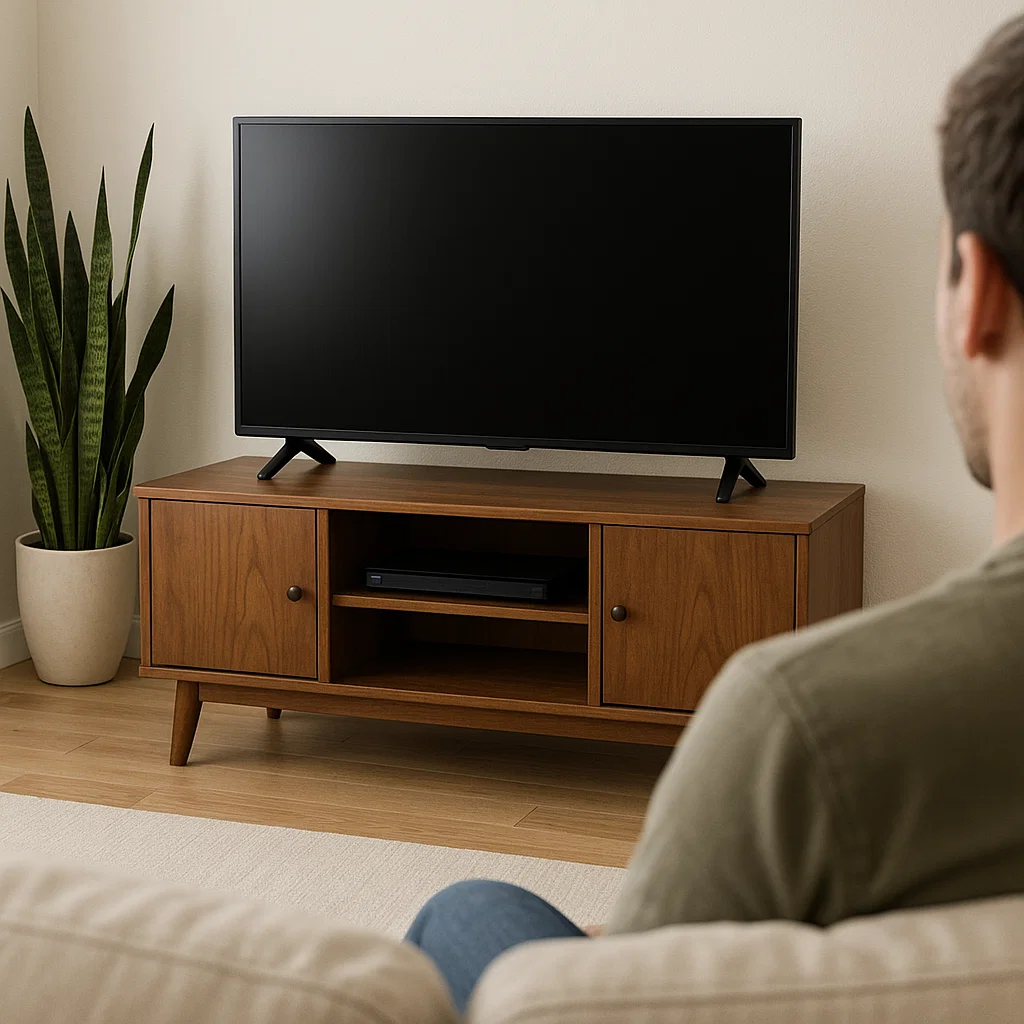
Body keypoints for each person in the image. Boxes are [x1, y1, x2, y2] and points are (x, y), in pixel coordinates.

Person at [404, 14, 1024, 1014]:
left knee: (465, 911)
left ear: (977, 291)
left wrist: (617, 948)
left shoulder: (804, 722)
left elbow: (630, 1004)